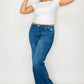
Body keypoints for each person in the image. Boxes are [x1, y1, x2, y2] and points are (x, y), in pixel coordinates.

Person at [20, 0, 74, 84]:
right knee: (35, 63)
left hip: (47, 32)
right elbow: (23, 11)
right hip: (33, 31)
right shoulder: (36, 4)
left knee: (38, 62)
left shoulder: (54, 2)